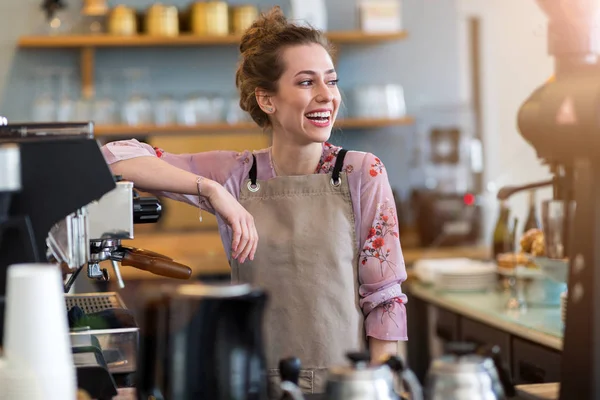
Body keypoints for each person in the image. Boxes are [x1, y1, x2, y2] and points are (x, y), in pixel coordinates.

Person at [101, 6, 408, 396]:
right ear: (267, 100)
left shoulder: (361, 173)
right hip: (251, 386)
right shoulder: (235, 175)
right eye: (305, 82)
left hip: (346, 388)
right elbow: (113, 157)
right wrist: (212, 191)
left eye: (331, 81)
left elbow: (384, 299)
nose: (326, 96)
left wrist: (381, 387)